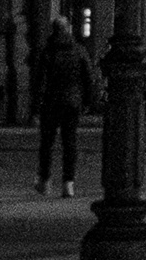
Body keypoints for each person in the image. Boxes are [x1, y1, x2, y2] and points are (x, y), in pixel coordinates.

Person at [33, 18, 101, 196]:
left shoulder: (48, 51)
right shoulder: (79, 50)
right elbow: (89, 78)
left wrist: (35, 106)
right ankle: (68, 183)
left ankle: (45, 181)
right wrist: (87, 101)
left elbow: (39, 80)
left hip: (51, 102)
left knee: (47, 143)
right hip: (72, 102)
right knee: (69, 142)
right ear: (68, 30)